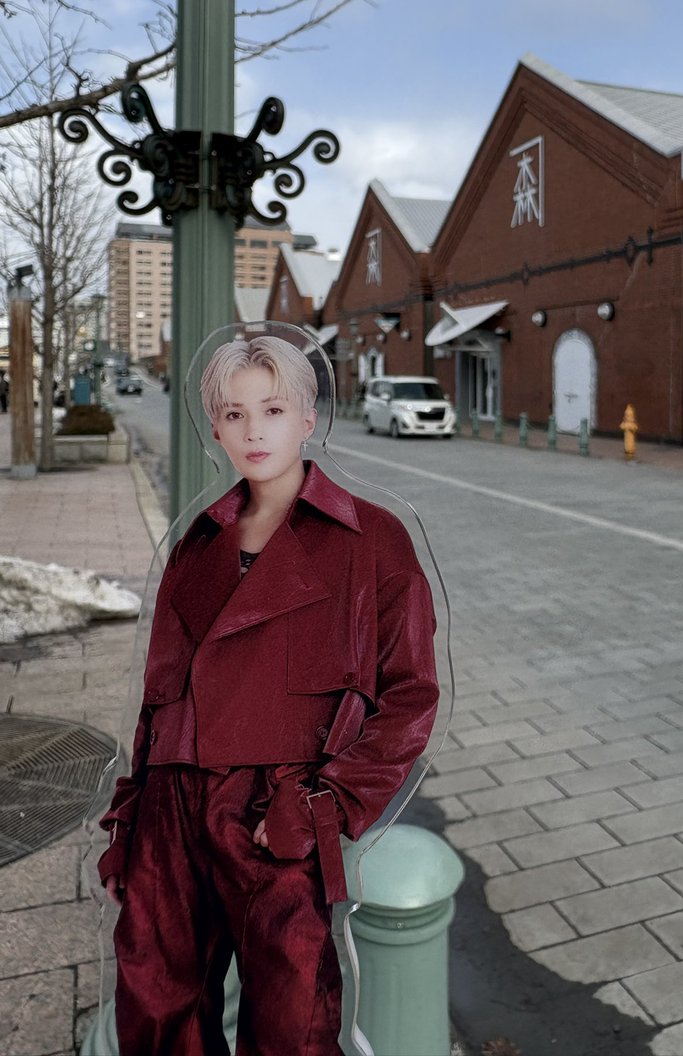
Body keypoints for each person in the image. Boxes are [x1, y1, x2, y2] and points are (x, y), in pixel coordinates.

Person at [97, 335, 440, 1054]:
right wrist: (135, 814)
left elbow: (408, 697)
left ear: (308, 418)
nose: (254, 431)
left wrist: (327, 804)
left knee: (291, 1021)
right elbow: (162, 692)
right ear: (215, 426)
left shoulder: (372, 540)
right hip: (174, 804)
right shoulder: (199, 541)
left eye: (274, 408)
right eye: (234, 413)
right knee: (156, 1008)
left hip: (277, 806)